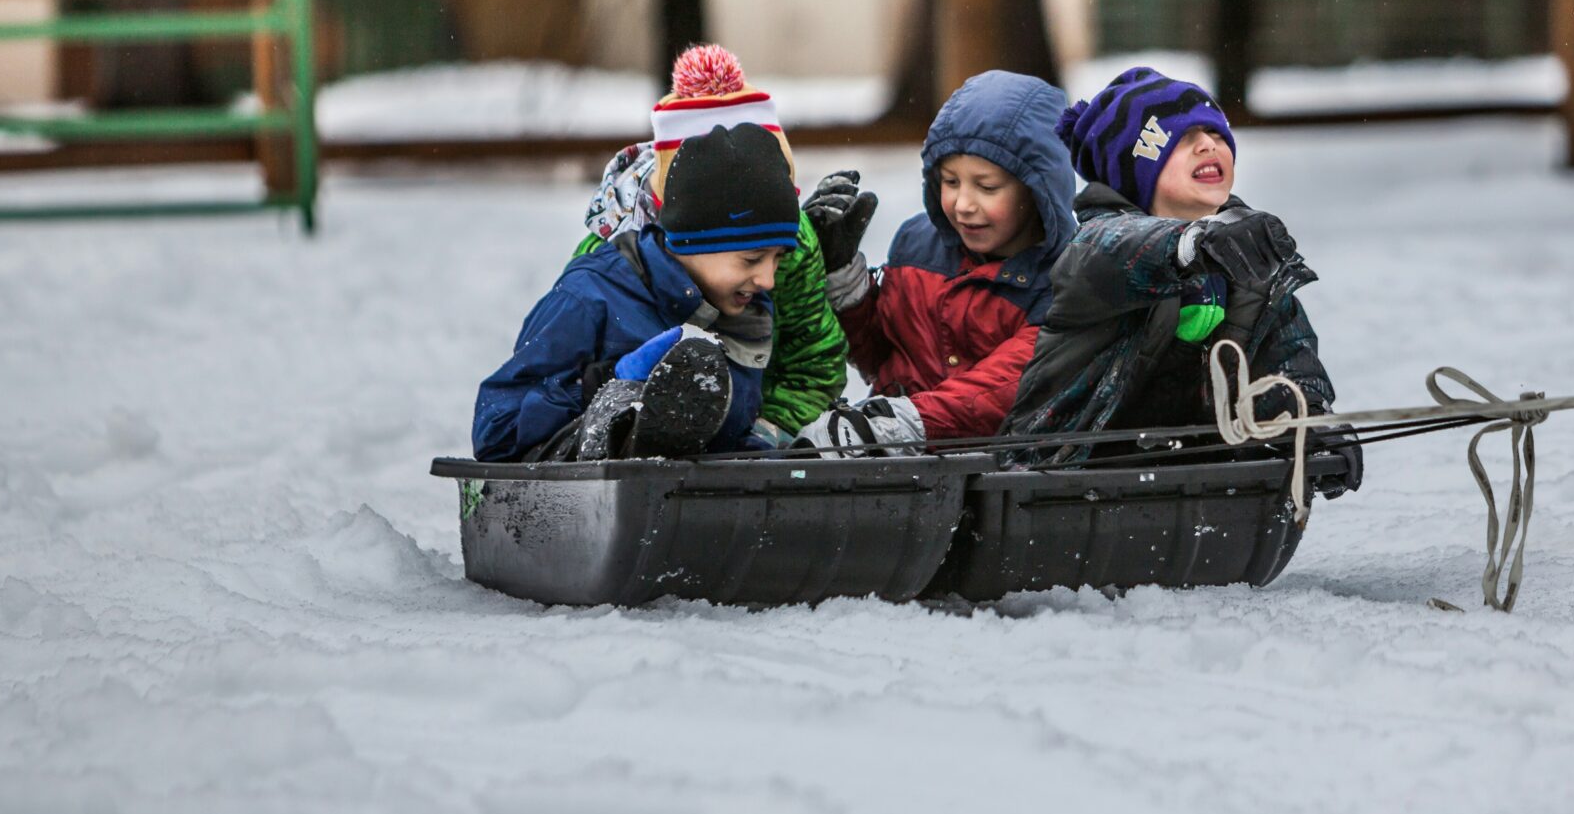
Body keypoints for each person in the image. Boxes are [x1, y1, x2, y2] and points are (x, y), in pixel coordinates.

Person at [1004, 66, 1361, 493]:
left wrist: (1308, 424)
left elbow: (1286, 356)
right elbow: (1121, 249)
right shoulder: (1096, 248)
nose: (1207, 144)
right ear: (1134, 172)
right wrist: (1190, 244)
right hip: (1056, 480)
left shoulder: (1247, 254)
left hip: (1199, 477)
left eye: (1214, 133)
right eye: (1182, 139)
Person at [474, 122, 801, 461]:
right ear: (694, 242)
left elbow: (726, 439)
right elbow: (496, 430)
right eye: (752, 259)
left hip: (682, 500)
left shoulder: (746, 312)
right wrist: (601, 382)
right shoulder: (591, 297)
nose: (768, 280)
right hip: (580, 495)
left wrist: (778, 458)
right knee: (620, 412)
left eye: (777, 259)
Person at [795, 70, 1079, 449]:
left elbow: (1005, 389)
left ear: (1038, 188)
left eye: (987, 186)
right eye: (950, 181)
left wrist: (895, 425)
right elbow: (879, 352)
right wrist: (841, 280)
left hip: (996, 475)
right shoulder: (918, 246)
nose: (963, 204)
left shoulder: (1066, 279)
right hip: (894, 464)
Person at [576, 46, 846, 445]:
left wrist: (770, 430)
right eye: (752, 256)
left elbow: (813, 363)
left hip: (755, 429)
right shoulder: (609, 256)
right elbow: (559, 378)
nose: (768, 276)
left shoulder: (793, 246)